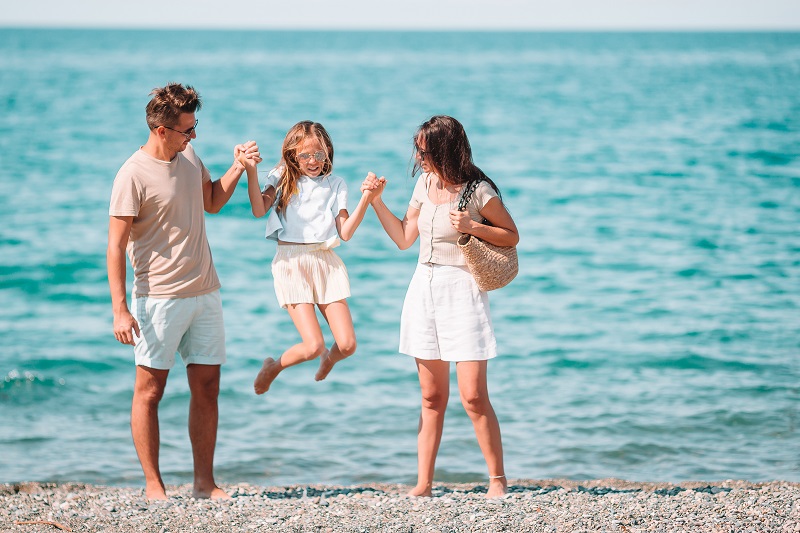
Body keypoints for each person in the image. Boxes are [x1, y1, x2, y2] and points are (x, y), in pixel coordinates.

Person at [107, 82, 261, 500]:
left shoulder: (189, 155)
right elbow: (115, 246)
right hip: (157, 298)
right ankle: (153, 484)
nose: (193, 136)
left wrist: (237, 166)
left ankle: (204, 483)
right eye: (186, 130)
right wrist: (120, 310)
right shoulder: (132, 175)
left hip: (205, 292)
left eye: (195, 127)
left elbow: (211, 201)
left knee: (208, 387)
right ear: (161, 129)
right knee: (150, 391)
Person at [362, 115, 519, 498]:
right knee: (431, 397)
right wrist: (377, 203)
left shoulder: (479, 190)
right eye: (417, 148)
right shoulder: (424, 183)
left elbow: (512, 235)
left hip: (462, 290)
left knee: (473, 396)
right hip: (423, 290)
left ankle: (497, 480)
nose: (418, 155)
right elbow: (403, 238)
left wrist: (473, 225)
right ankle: (424, 484)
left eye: (424, 149)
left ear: (445, 149)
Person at [238, 120, 376, 394]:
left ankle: (329, 359)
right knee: (312, 345)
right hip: (292, 263)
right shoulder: (281, 176)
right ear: (293, 155)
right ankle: (272, 367)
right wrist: (250, 171)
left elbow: (345, 233)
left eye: (319, 155)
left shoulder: (336, 184)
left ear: (328, 153)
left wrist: (367, 199)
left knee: (347, 344)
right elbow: (257, 209)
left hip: (325, 262)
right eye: (305, 155)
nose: (313, 161)